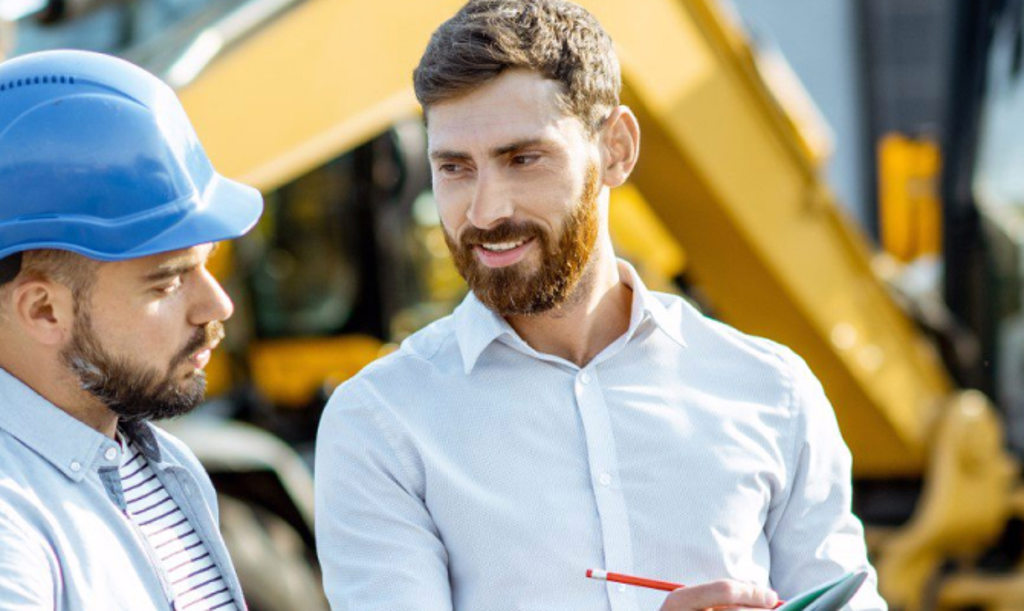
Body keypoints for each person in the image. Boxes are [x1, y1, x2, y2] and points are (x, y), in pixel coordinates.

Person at [314, 1, 886, 609]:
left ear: (616, 149)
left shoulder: (773, 391)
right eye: (454, 168)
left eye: (522, 159)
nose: (485, 212)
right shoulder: (380, 426)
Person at [0, 49, 262, 610]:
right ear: (44, 310)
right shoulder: (10, 525)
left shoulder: (161, 464)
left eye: (207, 263)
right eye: (167, 283)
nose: (217, 306)